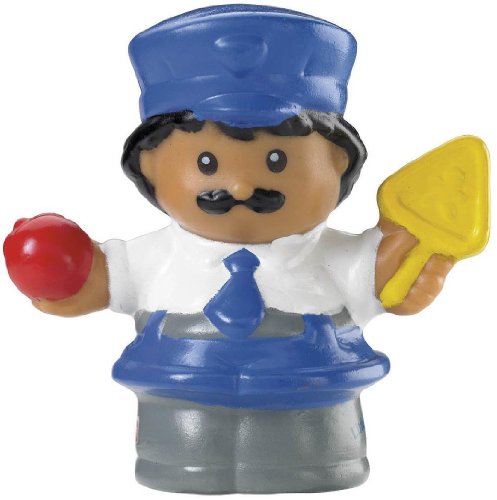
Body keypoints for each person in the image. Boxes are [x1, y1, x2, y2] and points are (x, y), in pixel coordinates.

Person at [3, 5, 454, 494]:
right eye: (207, 162)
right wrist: (58, 270)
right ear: (149, 167)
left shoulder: (341, 260)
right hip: (181, 412)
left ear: (338, 162)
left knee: (309, 468)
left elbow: (392, 281)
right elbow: (100, 280)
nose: (240, 185)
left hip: (310, 415)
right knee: (181, 467)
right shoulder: (149, 259)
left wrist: (421, 260)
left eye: (276, 160)